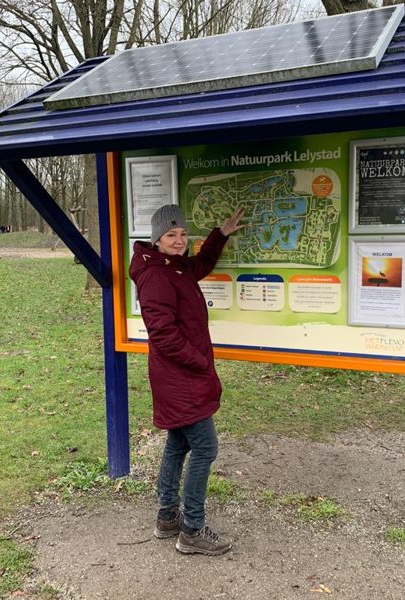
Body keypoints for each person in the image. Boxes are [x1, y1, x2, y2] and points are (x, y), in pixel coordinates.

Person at [128, 203, 246, 556]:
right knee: (205, 447)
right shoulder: (155, 276)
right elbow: (162, 335)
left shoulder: (172, 267)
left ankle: (167, 517)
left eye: (182, 234)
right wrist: (200, 363)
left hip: (178, 375)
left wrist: (220, 234)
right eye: (171, 235)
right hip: (181, 375)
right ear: (157, 239)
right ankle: (192, 529)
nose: (179, 241)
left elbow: (200, 265)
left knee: (178, 444)